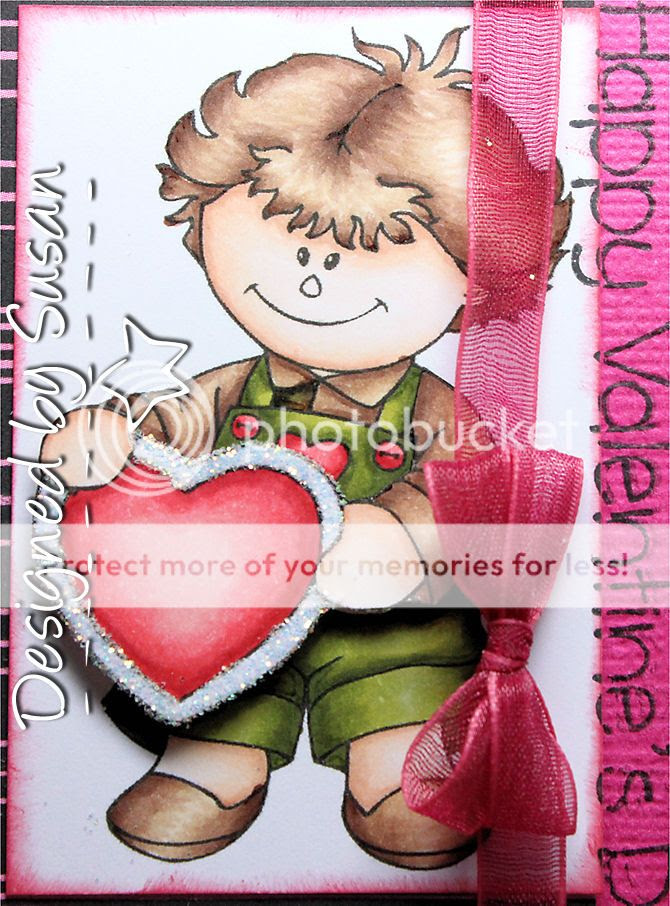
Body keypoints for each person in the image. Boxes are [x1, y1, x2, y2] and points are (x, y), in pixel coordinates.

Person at [43, 29, 570, 868]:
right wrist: (108, 453)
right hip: (233, 615)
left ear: (477, 278)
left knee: (403, 691)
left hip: (394, 628)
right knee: (220, 678)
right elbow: (165, 438)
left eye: (370, 249)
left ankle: (394, 772)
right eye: (287, 235)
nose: (313, 275)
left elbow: (475, 482)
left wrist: (402, 531)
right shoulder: (222, 388)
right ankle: (213, 767)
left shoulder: (436, 407)